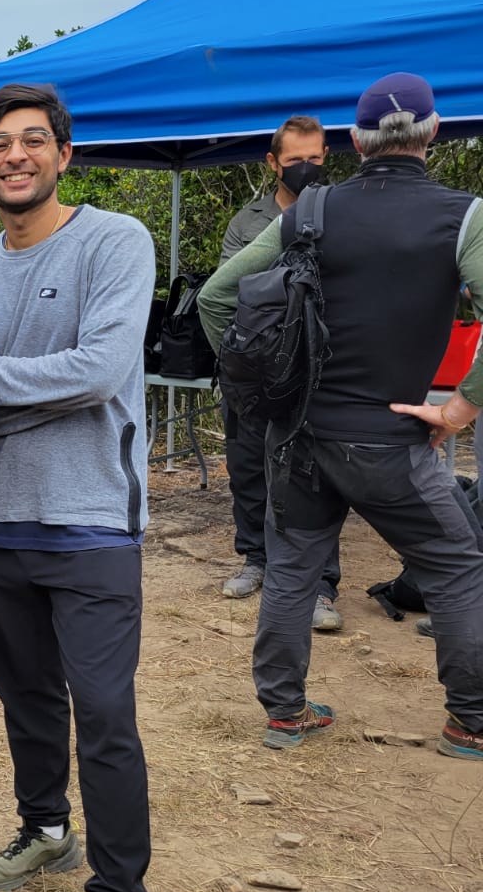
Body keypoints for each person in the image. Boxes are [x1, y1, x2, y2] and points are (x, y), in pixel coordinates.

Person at [198, 72, 483, 760]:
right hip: (392, 440)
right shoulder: (464, 216)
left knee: (291, 569)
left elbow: (216, 298)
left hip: (299, 435)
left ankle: (284, 715)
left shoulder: (309, 212)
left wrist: (263, 395)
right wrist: (458, 409)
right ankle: (470, 724)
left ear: (354, 142)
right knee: (456, 568)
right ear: (433, 133)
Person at [0, 83, 156, 892]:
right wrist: (7, 394)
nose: (15, 156)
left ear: (64, 155)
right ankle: (44, 829)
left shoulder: (114, 242)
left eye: (34, 140)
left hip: (93, 517)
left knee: (104, 712)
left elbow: (101, 371)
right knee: (25, 692)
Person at [216, 117, 342, 630]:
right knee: (247, 467)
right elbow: (229, 291)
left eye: (314, 158)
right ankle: (255, 559)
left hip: (313, 369)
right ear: (273, 163)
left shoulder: (339, 211)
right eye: (294, 161)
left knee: (314, 476)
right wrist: (238, 366)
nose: (305, 168)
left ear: (326, 155)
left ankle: (321, 584)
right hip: (255, 368)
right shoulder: (247, 221)